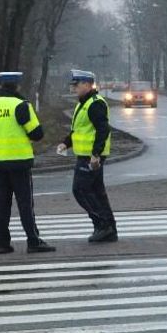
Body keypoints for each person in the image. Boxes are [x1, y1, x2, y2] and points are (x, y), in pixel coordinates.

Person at [0, 71, 55, 254]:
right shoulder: (21, 106)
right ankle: (33, 240)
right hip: (19, 162)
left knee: (1, 203)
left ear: (0, 86)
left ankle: (2, 244)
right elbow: (37, 134)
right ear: (18, 86)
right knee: (25, 203)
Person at [59, 70, 117, 243]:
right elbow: (79, 130)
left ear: (87, 84)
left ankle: (102, 225)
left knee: (80, 190)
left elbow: (103, 129)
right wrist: (66, 143)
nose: (73, 88)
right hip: (86, 155)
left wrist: (96, 154)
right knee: (97, 192)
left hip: (90, 157)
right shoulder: (83, 103)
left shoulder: (94, 104)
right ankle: (109, 229)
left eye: (76, 85)